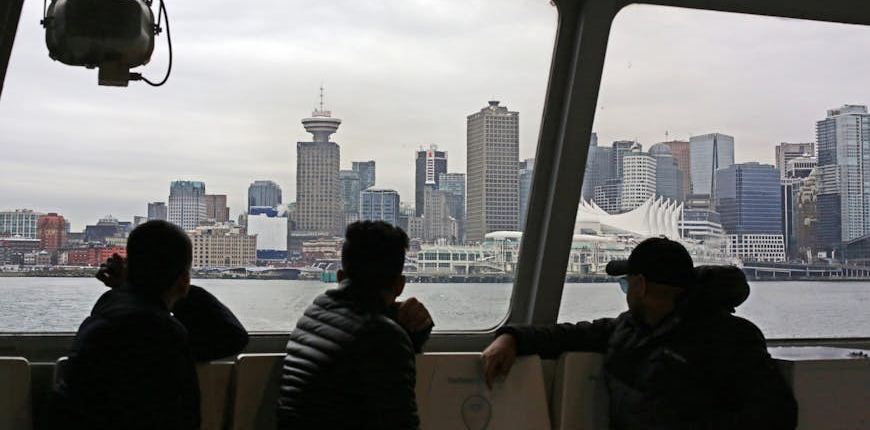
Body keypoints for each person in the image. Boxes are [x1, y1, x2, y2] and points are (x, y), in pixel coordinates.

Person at [482, 237, 798, 430]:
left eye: (626, 282)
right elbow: (569, 335)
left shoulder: (730, 338)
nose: (626, 291)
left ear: (640, 285)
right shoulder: (629, 328)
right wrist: (512, 337)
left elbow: (774, 416)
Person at [49, 220, 249, 430]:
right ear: (184, 280)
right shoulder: (163, 333)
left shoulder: (106, 308)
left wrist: (130, 285)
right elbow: (233, 336)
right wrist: (176, 287)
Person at [277, 220, 434, 429]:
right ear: (400, 286)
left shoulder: (314, 313)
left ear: (340, 276)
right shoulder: (381, 336)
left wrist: (411, 335)